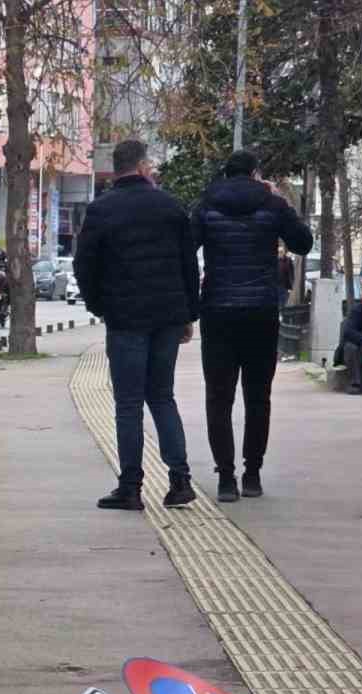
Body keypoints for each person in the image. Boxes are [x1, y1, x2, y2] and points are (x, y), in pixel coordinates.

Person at [73, 138, 200, 512]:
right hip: (167, 317)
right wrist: (188, 315)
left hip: (125, 319)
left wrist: (100, 306)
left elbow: (84, 266)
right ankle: (180, 480)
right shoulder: (170, 206)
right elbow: (188, 265)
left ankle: (130, 488)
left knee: (128, 403)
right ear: (143, 167)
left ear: (116, 169)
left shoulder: (101, 210)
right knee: (162, 396)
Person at [191, 150, 314, 503]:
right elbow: (303, 242)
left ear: (225, 173)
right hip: (261, 312)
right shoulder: (272, 204)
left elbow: (186, 246)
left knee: (219, 397)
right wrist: (279, 200)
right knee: (258, 396)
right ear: (256, 173)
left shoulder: (207, 204)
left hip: (218, 311)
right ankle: (253, 475)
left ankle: (225, 478)